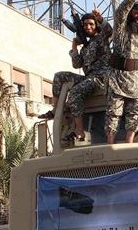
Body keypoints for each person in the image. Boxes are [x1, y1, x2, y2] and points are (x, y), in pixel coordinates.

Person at [39, 8, 112, 141]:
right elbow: (77, 64)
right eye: (85, 25)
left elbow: (109, 30)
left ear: (96, 26)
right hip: (89, 78)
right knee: (59, 76)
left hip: (100, 78)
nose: (88, 27)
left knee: (74, 93)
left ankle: (79, 130)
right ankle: (55, 110)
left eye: (91, 24)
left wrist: (100, 18)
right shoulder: (86, 47)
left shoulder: (101, 39)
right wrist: (74, 46)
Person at [105, 0, 138, 144]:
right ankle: (110, 143)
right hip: (118, 77)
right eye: (136, 13)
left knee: (135, 114)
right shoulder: (120, 28)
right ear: (131, 13)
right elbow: (120, 10)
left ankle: (129, 143)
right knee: (113, 113)